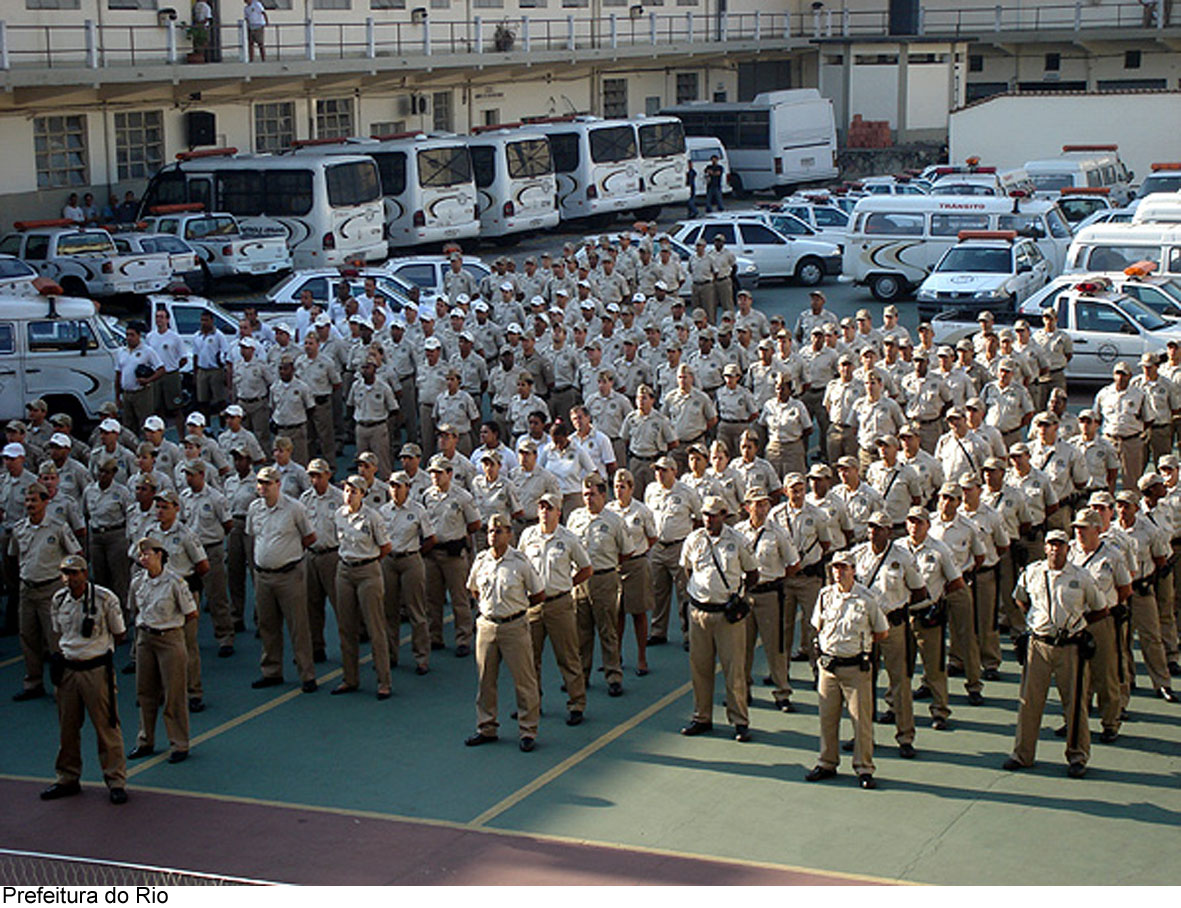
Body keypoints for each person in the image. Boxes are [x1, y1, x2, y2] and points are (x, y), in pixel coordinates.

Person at [1004, 530, 1103, 778]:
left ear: (1067, 549)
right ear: (1045, 547)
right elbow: (1020, 598)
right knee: (1029, 702)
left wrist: (1078, 626)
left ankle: (1077, 756)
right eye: (1051, 545)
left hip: (1070, 646)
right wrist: (1035, 620)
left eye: (1060, 545)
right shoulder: (1032, 572)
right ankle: (1022, 754)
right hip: (1039, 645)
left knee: (1074, 703)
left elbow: (1100, 608)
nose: (1055, 549)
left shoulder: (1081, 577)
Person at [41, 555, 128, 804]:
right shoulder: (58, 599)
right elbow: (59, 633)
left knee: (107, 727)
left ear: (85, 573)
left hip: (96, 669)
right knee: (67, 727)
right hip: (68, 670)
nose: (70, 579)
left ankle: (115, 780)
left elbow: (119, 633)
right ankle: (67, 777)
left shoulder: (104, 599)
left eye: (75, 573)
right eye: (66, 574)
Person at [805, 550, 889, 789]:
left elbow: (882, 631)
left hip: (855, 668)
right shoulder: (824, 596)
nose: (839, 572)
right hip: (829, 667)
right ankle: (827, 761)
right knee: (827, 718)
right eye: (835, 568)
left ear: (853, 570)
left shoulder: (866, 598)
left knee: (861, 720)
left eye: (844, 568)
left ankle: (864, 767)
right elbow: (817, 626)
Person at [679, 495, 759, 741]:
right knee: (700, 668)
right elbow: (688, 569)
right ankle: (702, 716)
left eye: (713, 515)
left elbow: (752, 572)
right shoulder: (694, 540)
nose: (708, 519)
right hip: (700, 612)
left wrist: (740, 595)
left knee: (734, 669)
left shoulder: (737, 541)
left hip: (726, 615)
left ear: (724, 515)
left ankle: (739, 720)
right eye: (705, 514)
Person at [465, 513, 545, 751]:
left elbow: (538, 593)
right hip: (488, 625)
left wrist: (516, 610)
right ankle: (486, 726)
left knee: (524, 681)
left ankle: (528, 729)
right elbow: (474, 589)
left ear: (510, 534)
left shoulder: (520, 562)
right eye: (490, 531)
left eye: (499, 531)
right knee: (485, 680)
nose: (493, 535)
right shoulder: (481, 560)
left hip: (514, 626)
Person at [852, 511, 927, 758]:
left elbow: (918, 590)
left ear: (890, 532)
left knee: (900, 681)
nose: (874, 532)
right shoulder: (858, 555)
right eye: (871, 527)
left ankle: (905, 736)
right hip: (865, 628)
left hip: (893, 625)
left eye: (880, 528)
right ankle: (863, 736)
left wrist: (897, 606)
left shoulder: (902, 557)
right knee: (863, 683)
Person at [519, 492, 592, 725]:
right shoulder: (528, 536)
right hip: (533, 605)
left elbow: (586, 568)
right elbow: (519, 565)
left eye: (549, 508)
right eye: (541, 507)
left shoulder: (568, 538)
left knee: (568, 656)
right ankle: (532, 704)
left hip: (559, 604)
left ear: (558, 513)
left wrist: (567, 584)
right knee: (530, 659)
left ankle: (576, 703)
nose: (544, 512)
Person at [246, 465, 318, 693]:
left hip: (289, 575)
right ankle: (271, 670)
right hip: (263, 575)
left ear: (278, 484)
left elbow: (310, 537)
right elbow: (252, 537)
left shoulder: (294, 508)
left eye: (267, 483)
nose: (263, 487)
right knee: (268, 626)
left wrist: (290, 555)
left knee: (298, 625)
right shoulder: (254, 508)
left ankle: (307, 673)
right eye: (260, 483)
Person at [126, 536, 196, 765]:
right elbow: (133, 608)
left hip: (169, 638)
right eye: (141, 554)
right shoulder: (138, 582)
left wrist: (172, 629)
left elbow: (190, 613)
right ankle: (145, 739)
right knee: (145, 692)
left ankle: (179, 742)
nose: (143, 558)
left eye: (147, 554)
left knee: (173, 694)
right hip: (145, 638)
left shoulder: (175, 582)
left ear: (160, 555)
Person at [11, 482, 83, 701]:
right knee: (28, 637)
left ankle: (63, 684)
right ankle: (33, 682)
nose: (30, 504)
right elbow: (14, 556)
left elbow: (76, 554)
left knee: (56, 639)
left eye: (35, 500)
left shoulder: (58, 527)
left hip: (51, 588)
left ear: (46, 502)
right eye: (28, 500)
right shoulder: (19, 528)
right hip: (28, 589)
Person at [736, 487, 799, 712]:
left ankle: (782, 692)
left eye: (764, 504)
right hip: (745, 595)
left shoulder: (778, 533)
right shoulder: (738, 532)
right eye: (757, 504)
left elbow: (793, 564)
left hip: (770, 594)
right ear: (747, 507)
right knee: (743, 647)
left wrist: (775, 579)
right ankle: (743, 691)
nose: (761, 509)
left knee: (776, 646)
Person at [568, 473, 629, 698]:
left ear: (603, 495)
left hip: (604, 578)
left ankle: (613, 675)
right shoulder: (575, 518)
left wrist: (608, 568)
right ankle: (581, 676)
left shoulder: (613, 520)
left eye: (592, 494)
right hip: (580, 580)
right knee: (580, 632)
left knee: (607, 629)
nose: (588, 499)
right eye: (585, 494)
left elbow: (626, 551)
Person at [332, 475, 393, 699]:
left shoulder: (372, 517)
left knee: (375, 626)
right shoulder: (339, 515)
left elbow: (385, 546)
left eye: (354, 491)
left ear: (363, 494)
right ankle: (350, 678)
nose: (349, 495)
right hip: (345, 570)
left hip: (368, 570)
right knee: (346, 627)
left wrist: (369, 561)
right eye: (346, 490)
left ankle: (384, 681)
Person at [422, 454, 481, 654]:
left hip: (453, 553)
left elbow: (474, 523)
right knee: (433, 598)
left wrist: (458, 536)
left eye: (439, 473)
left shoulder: (462, 497)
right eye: (432, 473)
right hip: (432, 553)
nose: (435, 477)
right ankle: (435, 636)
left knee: (460, 598)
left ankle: (463, 638)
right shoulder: (427, 496)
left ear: (449, 473)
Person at [381, 471, 435, 675]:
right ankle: (390, 655)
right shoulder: (383, 511)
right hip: (389, 561)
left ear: (408, 488)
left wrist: (417, 554)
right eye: (392, 486)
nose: (395, 490)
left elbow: (430, 538)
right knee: (389, 611)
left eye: (399, 486)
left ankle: (422, 657)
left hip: (411, 559)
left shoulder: (418, 510)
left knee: (416, 610)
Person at [608, 469, 657, 676]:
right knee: (616, 615)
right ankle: (616, 656)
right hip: (616, 567)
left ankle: (641, 657)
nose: (619, 491)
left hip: (637, 565)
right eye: (616, 487)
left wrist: (639, 551)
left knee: (638, 613)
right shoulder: (609, 511)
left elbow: (652, 536)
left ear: (631, 488)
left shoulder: (642, 511)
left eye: (623, 487)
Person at [116, 321, 165, 434]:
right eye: (127, 335)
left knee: (145, 423)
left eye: (132, 335)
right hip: (127, 393)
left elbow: (161, 369)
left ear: (139, 336)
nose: (129, 338)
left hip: (142, 392)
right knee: (128, 424)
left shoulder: (147, 351)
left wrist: (148, 380)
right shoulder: (121, 352)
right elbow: (118, 374)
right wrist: (118, 396)